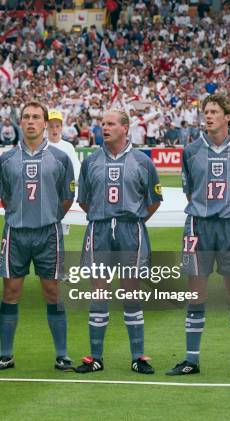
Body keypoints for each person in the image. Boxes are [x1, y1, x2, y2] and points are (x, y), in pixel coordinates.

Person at [167, 94, 230, 378]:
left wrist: (226, 210)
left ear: (228, 116)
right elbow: (189, 191)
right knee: (196, 292)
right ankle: (191, 360)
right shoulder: (191, 151)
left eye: (214, 112)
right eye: (206, 112)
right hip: (198, 226)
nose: (208, 116)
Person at [74, 109, 162, 374]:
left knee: (130, 291)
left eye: (110, 124)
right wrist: (105, 216)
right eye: (103, 124)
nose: (104, 128)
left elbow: (154, 201)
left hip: (130, 230)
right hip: (99, 229)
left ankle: (138, 357)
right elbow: (84, 199)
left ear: (125, 128)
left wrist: (132, 221)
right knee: (99, 291)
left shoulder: (142, 161)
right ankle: (96, 357)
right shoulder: (91, 161)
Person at [0, 101, 75, 372]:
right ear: (20, 122)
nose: (30, 121)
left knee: (52, 292)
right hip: (15, 233)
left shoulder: (60, 158)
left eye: (35, 117)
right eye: (26, 116)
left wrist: (47, 216)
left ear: (45, 123)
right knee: (10, 292)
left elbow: (67, 197)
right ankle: (6, 354)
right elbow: (3, 196)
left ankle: (62, 355)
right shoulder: (6, 159)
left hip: (48, 233)